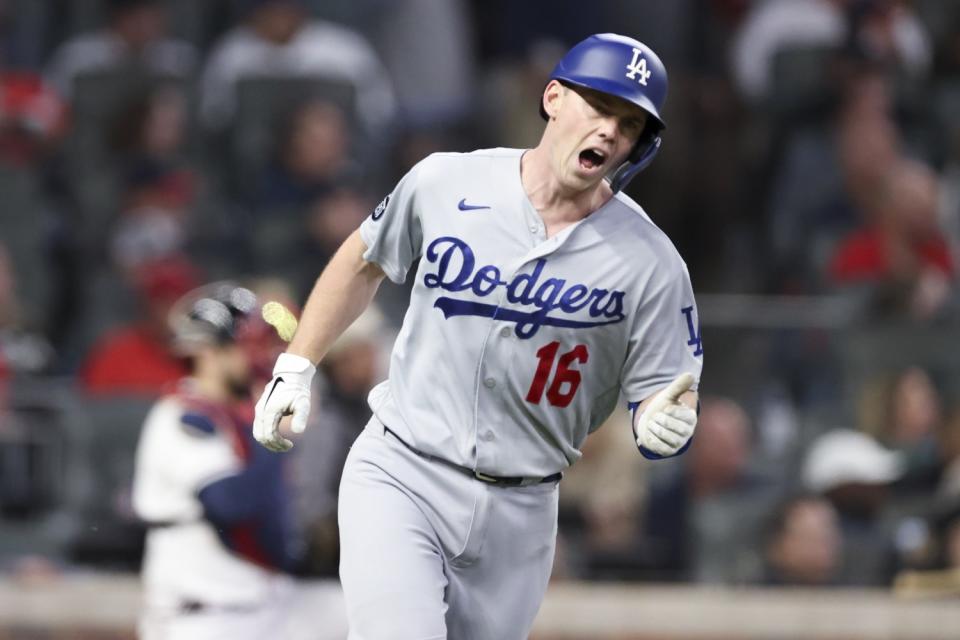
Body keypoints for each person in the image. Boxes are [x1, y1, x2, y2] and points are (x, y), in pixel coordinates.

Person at [253, 33, 703, 638]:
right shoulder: (447, 181)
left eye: (627, 123)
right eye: (597, 107)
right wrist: (298, 365)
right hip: (404, 470)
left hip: (523, 508)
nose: (608, 131)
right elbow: (363, 260)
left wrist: (661, 424)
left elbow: (667, 391)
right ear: (552, 98)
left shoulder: (651, 260)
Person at [132, 282, 298, 639]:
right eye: (244, 348)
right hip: (201, 618)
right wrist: (275, 434)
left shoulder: (234, 416)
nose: (256, 359)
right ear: (207, 352)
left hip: (258, 610)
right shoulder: (181, 414)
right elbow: (228, 503)